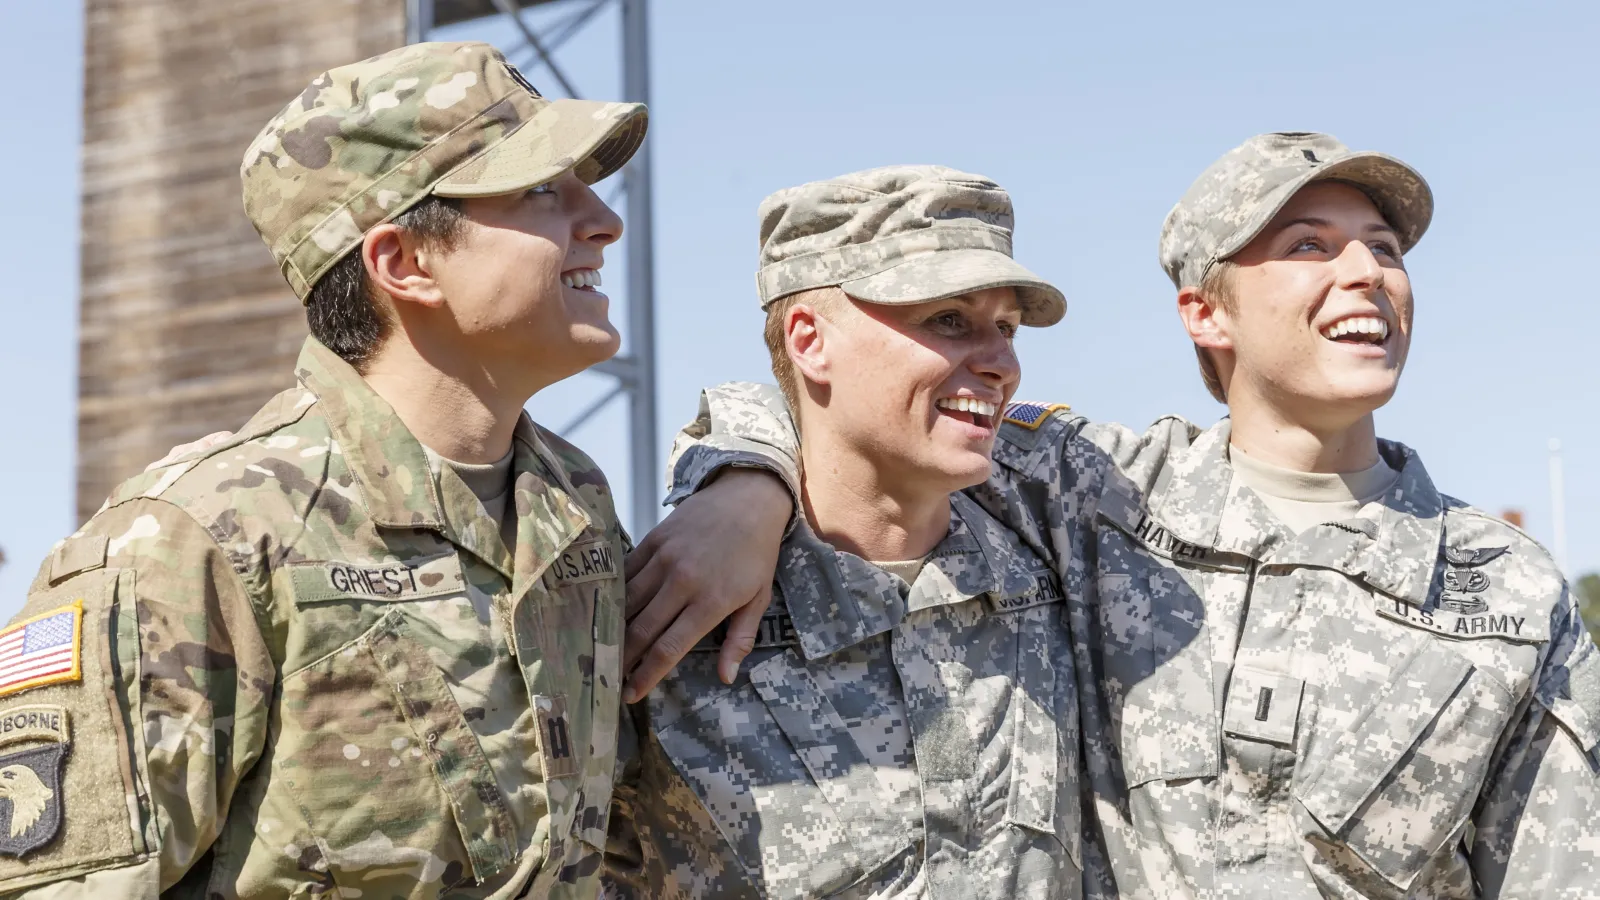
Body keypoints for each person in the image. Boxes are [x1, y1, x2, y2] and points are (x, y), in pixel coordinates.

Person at [640, 133, 1600, 897]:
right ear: (1204, 313)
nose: (1367, 272)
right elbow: (852, 403)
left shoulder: (1503, 585)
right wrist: (742, 487)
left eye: (1385, 250)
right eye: (1310, 244)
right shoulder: (1100, 491)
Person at [0, 41, 774, 899]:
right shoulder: (201, 538)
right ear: (404, 263)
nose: (604, 220)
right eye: (541, 191)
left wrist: (754, 479)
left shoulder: (571, 504)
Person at [602, 166, 1085, 898]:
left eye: (1007, 328)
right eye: (948, 319)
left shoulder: (1068, 564)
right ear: (809, 339)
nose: (1001, 364)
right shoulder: (673, 617)